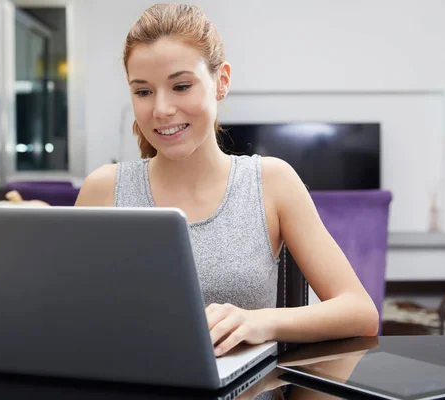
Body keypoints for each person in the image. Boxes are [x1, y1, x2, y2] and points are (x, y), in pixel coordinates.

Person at [75, 4, 379, 358]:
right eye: (143, 92)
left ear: (222, 82)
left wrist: (258, 322)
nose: (161, 110)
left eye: (181, 86)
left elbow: (359, 311)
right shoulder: (103, 189)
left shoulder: (271, 182)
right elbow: (70, 318)